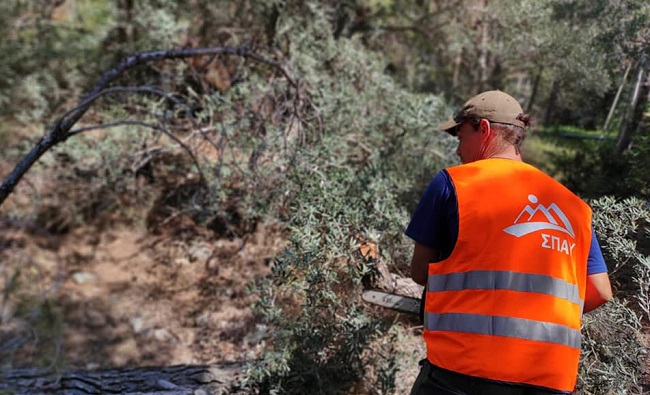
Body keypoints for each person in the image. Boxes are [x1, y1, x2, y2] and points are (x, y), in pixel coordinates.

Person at [406, 90, 613, 395]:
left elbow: (420, 272)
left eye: (461, 137)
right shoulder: (575, 208)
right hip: (550, 382)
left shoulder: (453, 183)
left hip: (461, 375)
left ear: (485, 130)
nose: (458, 151)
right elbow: (600, 291)